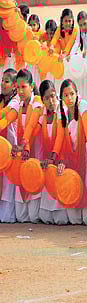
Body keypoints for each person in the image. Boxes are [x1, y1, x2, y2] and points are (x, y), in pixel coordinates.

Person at [52, 79, 87, 225]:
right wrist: (54, 157)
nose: (69, 98)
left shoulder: (82, 105)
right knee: (73, 218)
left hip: (84, 156)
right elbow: (59, 137)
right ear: (62, 97)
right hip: (69, 158)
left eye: (72, 94)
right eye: (66, 95)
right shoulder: (61, 111)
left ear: (77, 94)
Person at [37, 80, 68, 225]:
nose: (51, 101)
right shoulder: (42, 116)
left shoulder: (63, 112)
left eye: (54, 96)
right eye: (47, 98)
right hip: (48, 164)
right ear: (42, 100)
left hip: (62, 161)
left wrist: (58, 158)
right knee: (45, 217)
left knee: (61, 218)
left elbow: (62, 138)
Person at [14, 69, 43, 223]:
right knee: (20, 216)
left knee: (33, 216)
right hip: (22, 158)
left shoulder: (37, 103)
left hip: (35, 156)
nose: (20, 91)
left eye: (23, 87)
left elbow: (33, 126)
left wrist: (25, 145)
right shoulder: (19, 105)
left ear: (32, 86)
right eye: (18, 88)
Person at [0, 68, 18, 223]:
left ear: (14, 85)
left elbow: (6, 116)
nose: (2, 83)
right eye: (2, 80)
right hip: (0, 150)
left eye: (6, 81)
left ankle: (7, 217)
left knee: (8, 184)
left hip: (11, 149)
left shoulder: (15, 101)